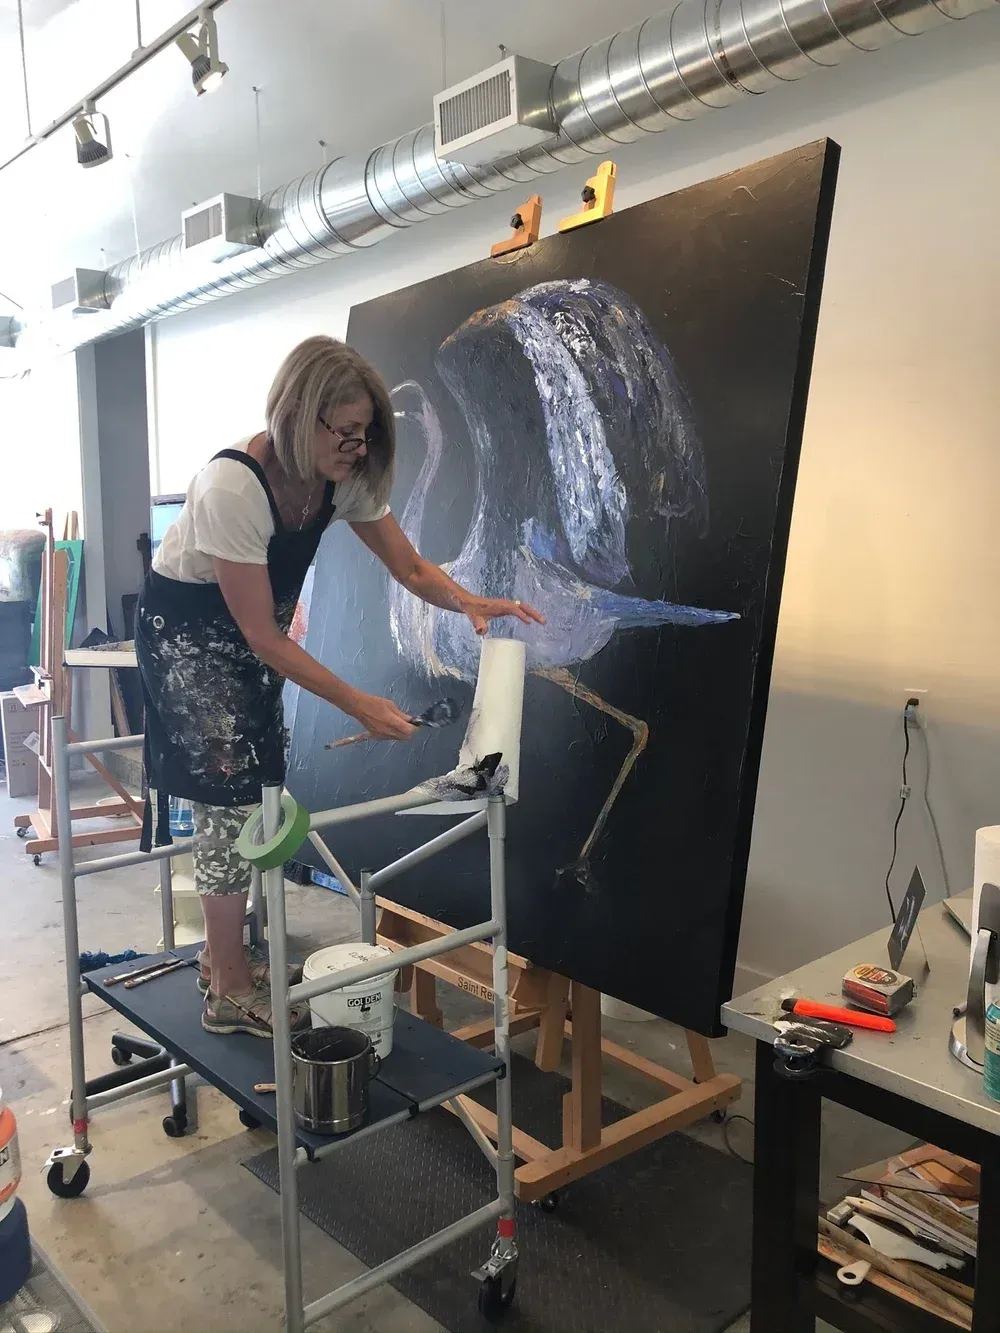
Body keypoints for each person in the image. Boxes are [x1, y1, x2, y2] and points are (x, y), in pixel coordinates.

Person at [135, 335, 542, 1038]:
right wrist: (359, 702)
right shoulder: (234, 485)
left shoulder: (341, 475)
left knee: (261, 785)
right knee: (229, 802)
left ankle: (219, 954)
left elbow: (409, 567)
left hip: (250, 625)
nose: (357, 447)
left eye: (366, 433)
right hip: (187, 633)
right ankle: (228, 989)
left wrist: (468, 601)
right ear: (298, 415)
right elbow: (262, 636)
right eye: (345, 432)